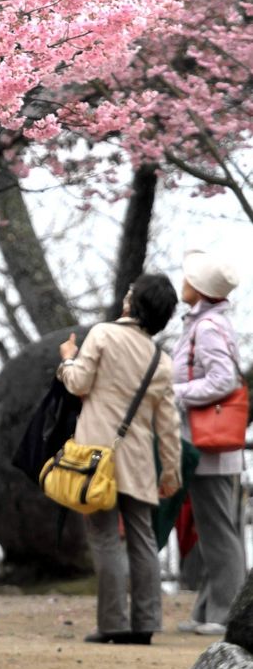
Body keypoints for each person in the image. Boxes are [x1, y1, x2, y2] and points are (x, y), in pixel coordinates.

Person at [58, 274, 181, 645]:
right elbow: (169, 424)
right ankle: (145, 624)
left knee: (105, 537)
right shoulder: (161, 360)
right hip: (139, 459)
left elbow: (79, 383)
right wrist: (171, 470)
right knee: (143, 539)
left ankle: (112, 623)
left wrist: (67, 361)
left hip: (96, 454)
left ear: (132, 303)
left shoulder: (102, 334)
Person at [172, 249, 246, 636]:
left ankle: (224, 614)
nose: (183, 283)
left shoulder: (207, 328)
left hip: (206, 447)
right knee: (216, 528)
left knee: (218, 530)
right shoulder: (210, 324)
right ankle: (209, 609)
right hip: (211, 448)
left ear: (199, 289)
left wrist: (176, 392)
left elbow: (223, 381)